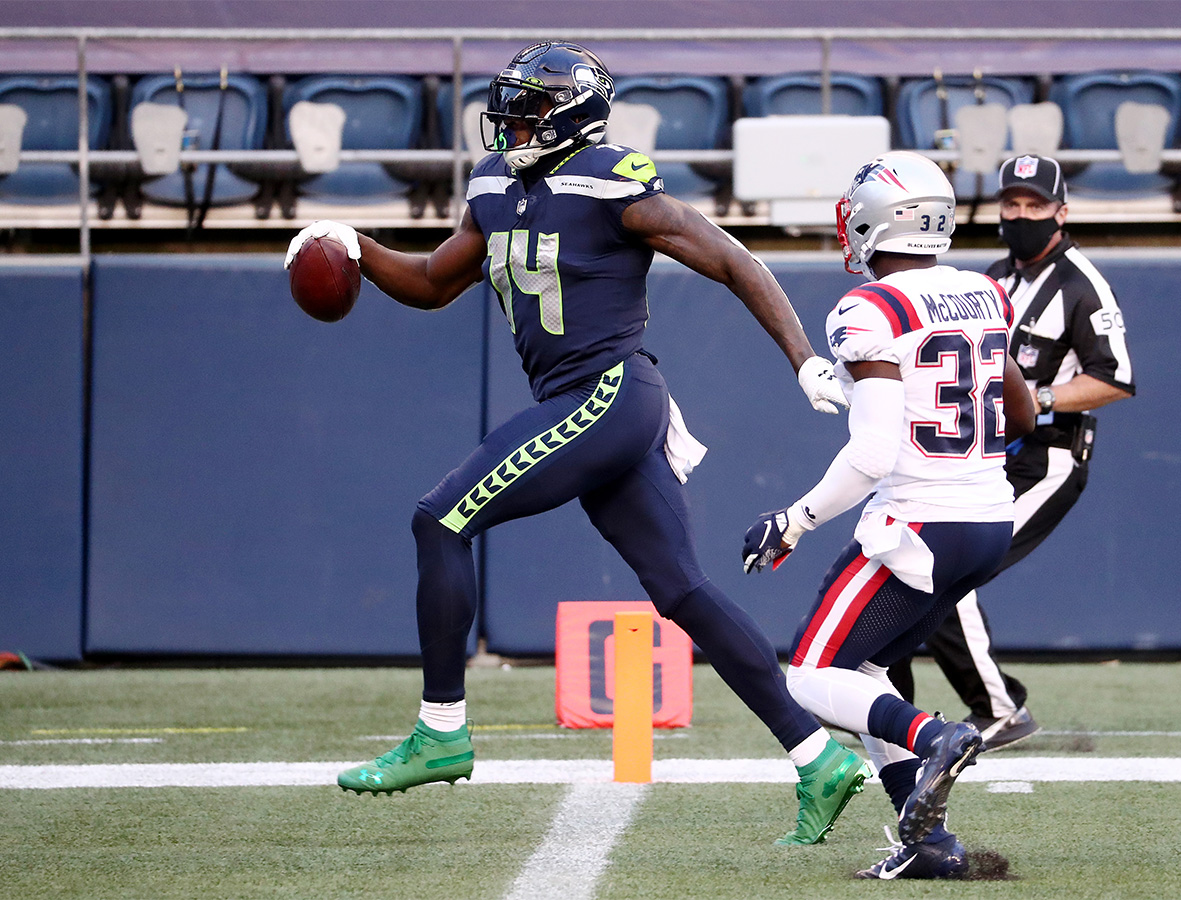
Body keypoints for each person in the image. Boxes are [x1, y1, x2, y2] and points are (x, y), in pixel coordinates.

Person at [284, 41, 869, 844]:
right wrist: (353, 244)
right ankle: (818, 759)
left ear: (568, 116)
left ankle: (442, 730)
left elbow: (734, 262)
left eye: (526, 107)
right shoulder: (493, 185)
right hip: (585, 402)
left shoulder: (611, 183)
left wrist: (803, 360)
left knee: (440, 518)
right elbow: (430, 282)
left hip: (608, 394)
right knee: (682, 590)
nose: (510, 121)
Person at [741, 150, 1037, 879]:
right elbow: (1023, 409)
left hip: (919, 523)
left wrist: (795, 519)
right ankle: (930, 845)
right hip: (988, 519)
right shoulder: (984, 292)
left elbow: (873, 452)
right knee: (866, 670)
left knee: (809, 676)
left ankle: (936, 735)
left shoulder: (870, 308)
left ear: (877, 220)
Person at [887, 154, 1135, 750]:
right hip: (987, 455)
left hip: (1048, 456)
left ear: (1061, 212)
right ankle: (888, 702)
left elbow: (1116, 377)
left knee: (947, 571)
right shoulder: (993, 276)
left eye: (1035, 205)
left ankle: (998, 709)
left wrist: (1035, 396)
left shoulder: (1081, 285)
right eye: (1012, 203)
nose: (1021, 215)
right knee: (915, 562)